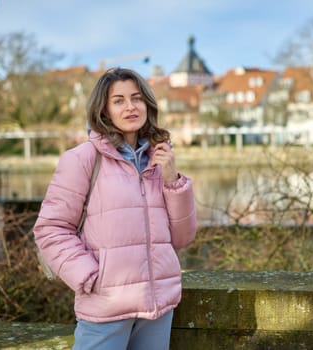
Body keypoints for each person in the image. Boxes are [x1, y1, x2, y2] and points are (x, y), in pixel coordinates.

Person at [33, 67, 197, 349]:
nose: (130, 106)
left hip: (157, 308)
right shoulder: (82, 159)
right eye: (118, 100)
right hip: (106, 308)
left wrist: (172, 180)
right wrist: (89, 276)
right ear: (104, 110)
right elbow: (50, 229)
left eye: (136, 98)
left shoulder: (160, 159)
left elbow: (182, 237)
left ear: (148, 103)